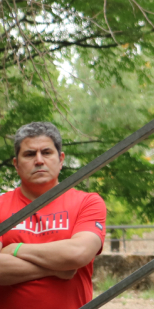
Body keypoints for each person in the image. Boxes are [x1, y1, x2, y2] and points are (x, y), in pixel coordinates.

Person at [0, 122, 106, 309]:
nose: (39, 160)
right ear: (16, 164)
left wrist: (15, 249)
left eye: (46, 152)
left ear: (61, 159)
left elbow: (77, 253)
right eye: (29, 154)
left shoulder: (88, 202)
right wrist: (57, 269)